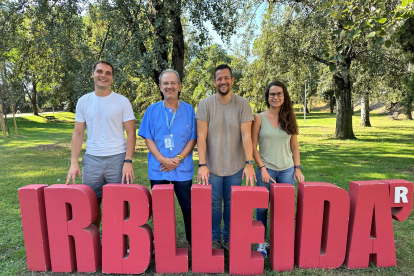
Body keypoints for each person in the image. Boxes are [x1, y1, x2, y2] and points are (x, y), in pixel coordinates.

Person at [66, 60, 136, 229]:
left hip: (118, 159)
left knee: (120, 206)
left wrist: (128, 161)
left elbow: (131, 133)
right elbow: (78, 133)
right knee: (91, 206)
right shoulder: (84, 101)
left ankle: (121, 246)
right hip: (92, 160)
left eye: (108, 73)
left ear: (112, 78)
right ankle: (92, 244)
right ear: (93, 74)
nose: (103, 76)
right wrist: (74, 162)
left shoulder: (122, 101)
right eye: (100, 72)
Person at [196, 64, 256, 250]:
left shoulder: (243, 104)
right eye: (219, 79)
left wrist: (249, 163)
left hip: (236, 165)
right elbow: (201, 136)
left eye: (226, 78)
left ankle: (230, 238)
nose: (223, 82)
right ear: (214, 82)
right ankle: (214, 239)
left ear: (232, 80)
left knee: (232, 203)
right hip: (212, 166)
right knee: (213, 205)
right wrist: (202, 164)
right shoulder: (205, 104)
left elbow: (247, 135)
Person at [138, 69, 197, 245]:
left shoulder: (189, 110)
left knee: (188, 207)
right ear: (160, 87)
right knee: (160, 209)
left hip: (182, 169)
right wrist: (162, 159)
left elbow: (193, 138)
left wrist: (178, 158)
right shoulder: (152, 110)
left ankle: (193, 242)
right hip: (159, 169)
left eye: (173, 83)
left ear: (179, 86)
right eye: (165, 83)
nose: (169, 86)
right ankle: (163, 244)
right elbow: (148, 138)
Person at [252, 80, 305, 258]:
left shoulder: (290, 117)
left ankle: (282, 243)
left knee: (284, 208)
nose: (275, 97)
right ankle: (261, 244)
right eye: (272, 94)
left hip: (287, 170)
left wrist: (297, 168)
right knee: (262, 208)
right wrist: (262, 169)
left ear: (284, 96)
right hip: (266, 170)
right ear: (267, 97)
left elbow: (294, 146)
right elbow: (252, 147)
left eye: (279, 94)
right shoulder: (259, 118)